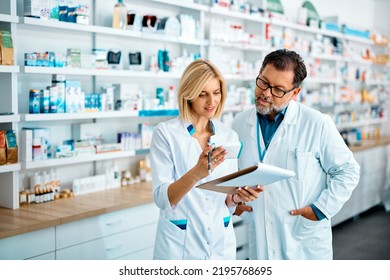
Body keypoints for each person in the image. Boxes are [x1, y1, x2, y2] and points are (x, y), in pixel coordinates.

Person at [231, 49, 360, 260]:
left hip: (303, 240)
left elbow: (348, 171)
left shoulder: (317, 123)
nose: (266, 93)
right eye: (263, 82)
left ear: (295, 93)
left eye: (278, 90)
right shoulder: (239, 123)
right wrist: (234, 201)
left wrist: (319, 210)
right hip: (261, 236)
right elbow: (235, 173)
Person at [150, 59, 263, 260]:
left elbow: (226, 198)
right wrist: (196, 173)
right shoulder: (166, 134)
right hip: (181, 247)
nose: (211, 101)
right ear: (188, 94)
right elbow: (162, 199)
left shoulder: (228, 136)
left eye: (216, 92)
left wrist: (238, 197)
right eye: (203, 94)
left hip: (221, 243)